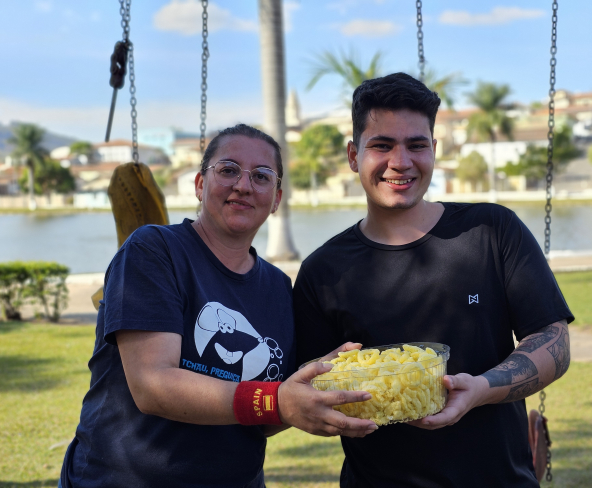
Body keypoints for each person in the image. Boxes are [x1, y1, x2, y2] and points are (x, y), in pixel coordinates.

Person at [293, 73, 573, 487]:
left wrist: (482, 388)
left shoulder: (492, 229)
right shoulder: (323, 270)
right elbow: (310, 396)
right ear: (354, 155)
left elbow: (554, 341)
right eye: (382, 145)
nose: (400, 161)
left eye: (416, 145)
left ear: (434, 151)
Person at [60, 124, 377, 488]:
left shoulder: (278, 286)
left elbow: (266, 416)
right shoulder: (153, 250)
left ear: (276, 199)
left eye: (261, 176)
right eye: (228, 170)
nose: (243, 185)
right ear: (200, 184)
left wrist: (318, 385)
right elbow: (152, 384)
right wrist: (276, 400)